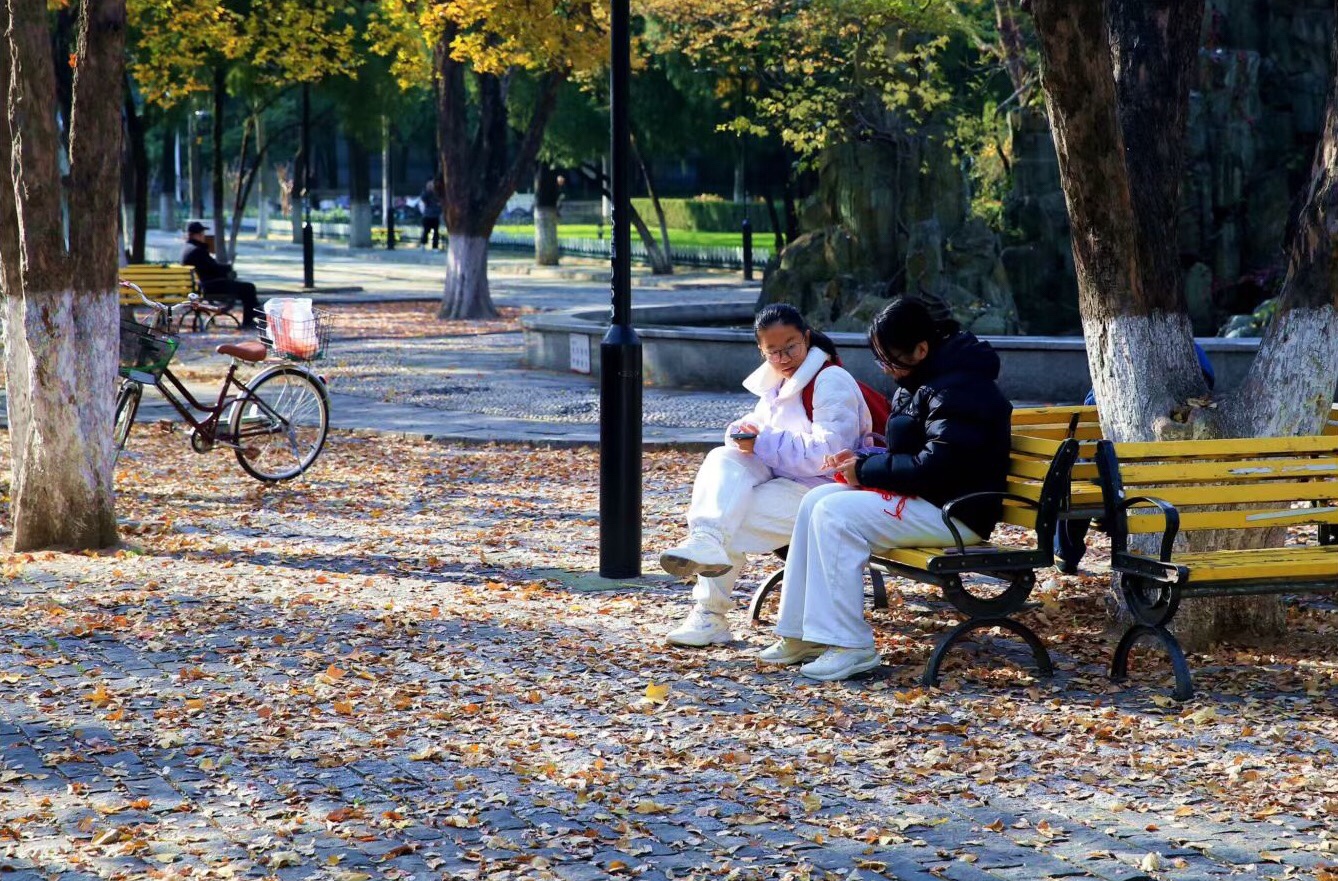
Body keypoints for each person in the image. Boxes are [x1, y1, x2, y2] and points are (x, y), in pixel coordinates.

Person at [759, 297, 1013, 681]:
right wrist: (862, 458)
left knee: (836, 515)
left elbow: (936, 467)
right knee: (815, 501)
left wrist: (865, 470)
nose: (886, 369)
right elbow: (909, 454)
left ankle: (850, 645)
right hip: (926, 500)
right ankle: (801, 633)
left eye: (889, 360)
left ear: (921, 349)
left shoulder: (961, 389)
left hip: (957, 512)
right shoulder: (921, 380)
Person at [659, 304, 875, 647]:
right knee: (722, 458)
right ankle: (705, 541)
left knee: (729, 519)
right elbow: (760, 428)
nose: (783, 358)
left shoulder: (830, 379)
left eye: (791, 347)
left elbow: (830, 453)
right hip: (785, 478)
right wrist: (741, 434)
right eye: (773, 352)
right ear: (761, 350)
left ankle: (710, 613)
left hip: (825, 491)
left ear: (806, 338)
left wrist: (761, 442)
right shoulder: (775, 381)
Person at [180, 222, 259, 328]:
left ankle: (254, 314)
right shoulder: (197, 250)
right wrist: (228, 268)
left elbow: (209, 268)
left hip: (203, 285)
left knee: (244, 286)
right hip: (210, 286)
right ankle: (250, 319)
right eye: (202, 233)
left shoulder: (188, 249)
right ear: (197, 235)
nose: (203, 236)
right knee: (248, 288)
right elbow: (213, 270)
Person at [419, 179, 442, 249]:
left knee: (436, 232)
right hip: (427, 215)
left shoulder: (437, 193)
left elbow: (440, 202)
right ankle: (423, 244)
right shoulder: (426, 194)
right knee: (426, 231)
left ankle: (435, 247)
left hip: (435, 215)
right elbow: (423, 201)